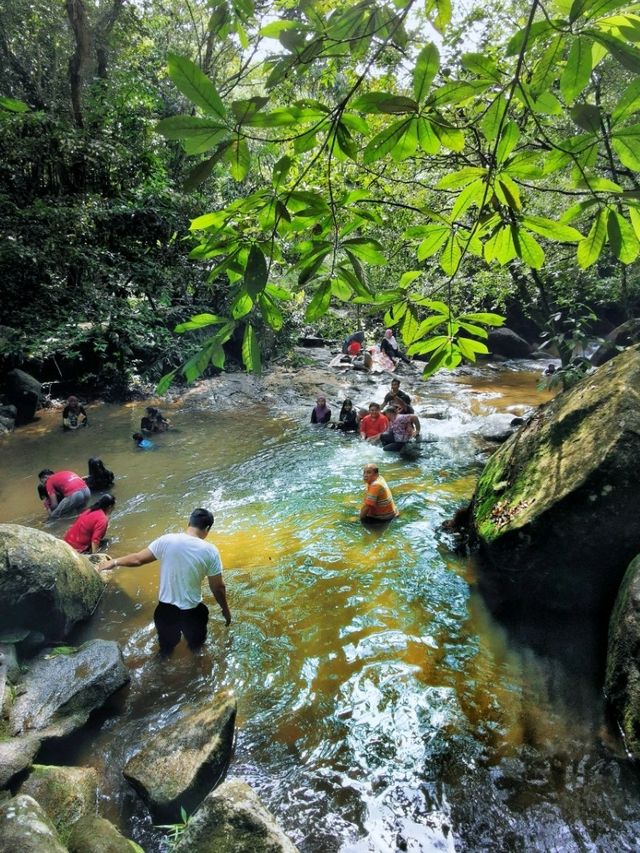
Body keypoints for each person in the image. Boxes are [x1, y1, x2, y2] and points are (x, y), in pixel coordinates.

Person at [101, 508, 231, 654]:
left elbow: (138, 559)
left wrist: (115, 562)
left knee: (165, 650)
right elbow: (218, 587)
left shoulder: (167, 540)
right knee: (197, 649)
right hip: (192, 612)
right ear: (207, 528)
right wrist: (225, 609)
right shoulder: (210, 551)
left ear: (189, 523)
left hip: (165, 612)